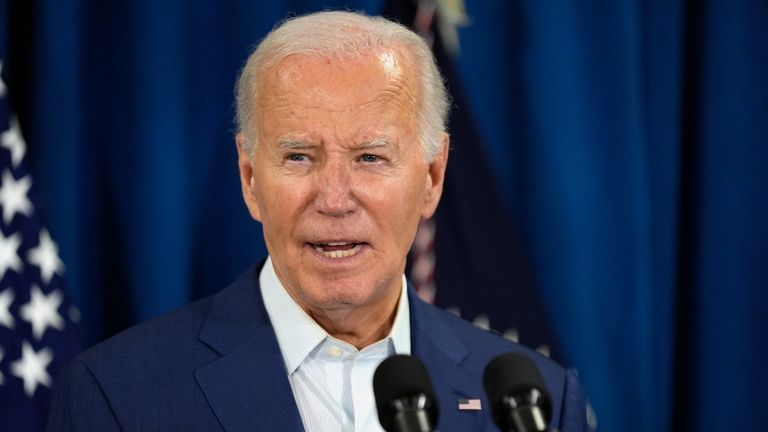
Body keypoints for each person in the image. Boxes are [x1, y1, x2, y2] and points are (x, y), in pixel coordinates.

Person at [47, 11, 592, 432]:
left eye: (371, 158)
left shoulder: (535, 401)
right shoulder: (117, 394)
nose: (334, 199)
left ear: (432, 176)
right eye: (299, 157)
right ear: (249, 178)